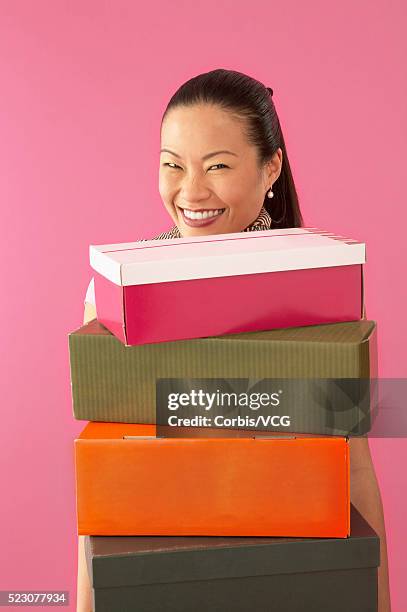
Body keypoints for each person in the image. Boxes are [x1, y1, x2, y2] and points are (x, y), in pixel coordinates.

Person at [77, 68, 391, 611]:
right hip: (164, 573)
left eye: (218, 166)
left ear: (271, 166)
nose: (191, 191)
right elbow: (106, 481)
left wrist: (380, 598)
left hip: (297, 572)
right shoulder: (115, 293)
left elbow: (355, 469)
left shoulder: (325, 289)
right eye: (172, 165)